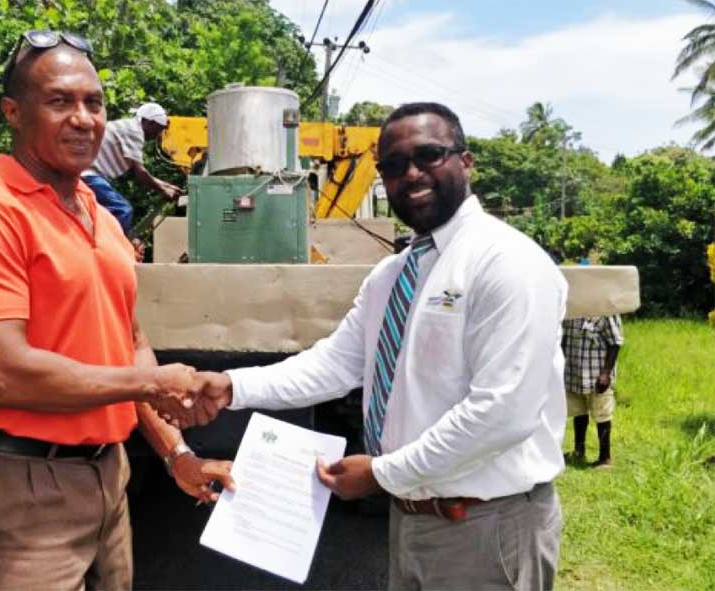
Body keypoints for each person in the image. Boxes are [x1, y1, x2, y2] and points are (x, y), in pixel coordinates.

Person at [186, 102, 568, 590]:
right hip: (411, 519)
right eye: (393, 165)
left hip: (485, 526)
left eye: (428, 155)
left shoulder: (505, 261)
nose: (411, 174)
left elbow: (503, 412)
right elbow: (334, 364)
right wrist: (232, 386)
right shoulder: (393, 273)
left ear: (466, 162)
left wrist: (383, 473)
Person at [0, 30, 232, 591]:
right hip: (22, 488)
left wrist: (176, 453)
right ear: (13, 112)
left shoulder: (101, 217)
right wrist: (152, 383)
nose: (83, 119)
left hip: (109, 475)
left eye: (94, 103)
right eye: (60, 101)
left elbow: (129, 344)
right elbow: (1, 374)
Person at [82, 101, 183, 234]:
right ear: (150, 122)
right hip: (88, 174)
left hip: (88, 172)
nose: (157, 135)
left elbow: (138, 170)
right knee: (122, 210)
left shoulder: (128, 126)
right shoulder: (135, 131)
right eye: (158, 129)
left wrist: (167, 186)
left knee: (102, 213)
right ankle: (113, 245)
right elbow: (140, 173)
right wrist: (163, 190)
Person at [562, 315, 624, 468]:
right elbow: (563, 340)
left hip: (597, 376)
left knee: (602, 415)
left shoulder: (606, 312)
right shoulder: (572, 312)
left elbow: (615, 343)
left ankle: (605, 458)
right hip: (573, 374)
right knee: (578, 413)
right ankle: (579, 451)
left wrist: (606, 373)